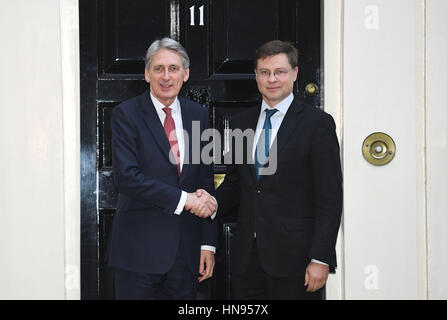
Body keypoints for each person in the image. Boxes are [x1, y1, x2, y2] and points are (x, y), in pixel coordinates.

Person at [215, 40, 343, 299]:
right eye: (265, 72)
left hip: (296, 261)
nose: (272, 79)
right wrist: (210, 203)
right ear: (256, 76)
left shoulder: (317, 124)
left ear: (295, 74)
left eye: (280, 72)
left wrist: (320, 257)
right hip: (247, 260)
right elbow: (237, 183)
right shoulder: (242, 123)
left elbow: (330, 198)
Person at [108, 37, 217, 300]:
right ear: (147, 74)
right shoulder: (126, 114)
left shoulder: (198, 115)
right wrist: (185, 200)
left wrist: (207, 243)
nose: (166, 76)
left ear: (186, 74)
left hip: (186, 253)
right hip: (138, 254)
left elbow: (204, 178)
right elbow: (127, 178)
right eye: (158, 69)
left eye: (173, 68)